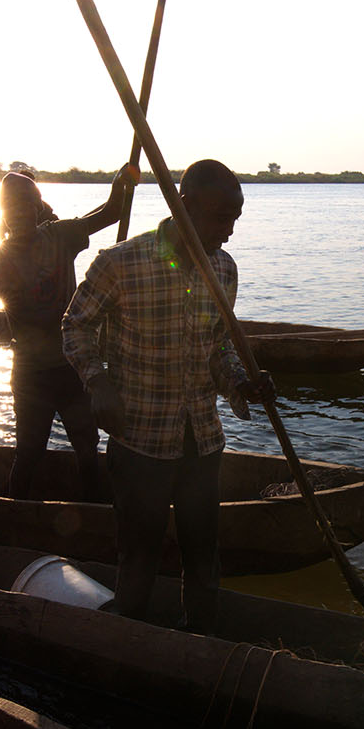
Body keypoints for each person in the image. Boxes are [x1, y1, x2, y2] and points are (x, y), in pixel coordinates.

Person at [61, 160, 267, 633]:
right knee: (138, 554)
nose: (229, 232)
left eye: (235, 219)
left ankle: (200, 639)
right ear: (184, 205)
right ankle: (128, 638)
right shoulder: (120, 263)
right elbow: (75, 326)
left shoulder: (223, 269)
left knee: (202, 554)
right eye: (219, 218)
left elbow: (216, 350)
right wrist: (98, 383)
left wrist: (243, 383)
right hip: (140, 442)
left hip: (202, 441)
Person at [0, 166, 137, 499]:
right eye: (12, 207)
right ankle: (13, 510)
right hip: (31, 374)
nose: (20, 213)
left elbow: (111, 213)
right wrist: (87, 314)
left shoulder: (60, 236)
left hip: (72, 369)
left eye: (26, 205)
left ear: (37, 208)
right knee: (28, 451)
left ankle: (93, 509)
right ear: (4, 214)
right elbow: (28, 316)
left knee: (86, 448)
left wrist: (120, 184)